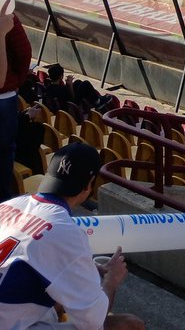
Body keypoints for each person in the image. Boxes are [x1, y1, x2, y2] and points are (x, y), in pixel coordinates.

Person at [0, 141, 145, 329]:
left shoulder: (9, 205)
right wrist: (112, 279)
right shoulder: (66, 232)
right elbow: (94, 322)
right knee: (129, 324)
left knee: (60, 301)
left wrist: (87, 267)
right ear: (89, 185)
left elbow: (28, 256)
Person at [2, 4, 33, 200]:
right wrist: (16, 82)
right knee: (4, 154)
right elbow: (24, 53)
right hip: (4, 99)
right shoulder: (6, 18)